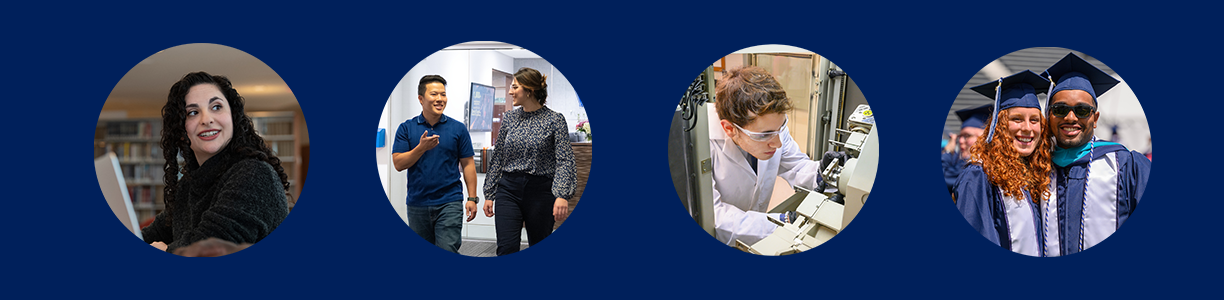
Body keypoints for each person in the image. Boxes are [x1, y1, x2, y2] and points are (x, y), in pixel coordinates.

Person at [141, 71, 291, 256]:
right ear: (181, 130)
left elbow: (211, 248)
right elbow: (154, 232)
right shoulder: (189, 184)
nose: (207, 119)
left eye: (216, 107)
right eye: (193, 112)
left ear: (233, 118)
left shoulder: (255, 174)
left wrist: (166, 250)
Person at [708, 66, 845, 248]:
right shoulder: (702, 144)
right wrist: (783, 221)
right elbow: (714, 217)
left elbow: (796, 167)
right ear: (729, 129)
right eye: (764, 135)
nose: (778, 143)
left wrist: (822, 172)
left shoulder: (772, 128)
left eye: (781, 128)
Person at [1038, 53, 1150, 256]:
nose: (1070, 118)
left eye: (1082, 110)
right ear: (1049, 115)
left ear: (1095, 118)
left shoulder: (1126, 166)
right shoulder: (1037, 167)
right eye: (1060, 109)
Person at [954, 70, 1052, 256]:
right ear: (999, 126)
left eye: (1034, 120)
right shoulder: (978, 175)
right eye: (1017, 119)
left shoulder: (1035, 174)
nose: (1027, 128)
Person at [481, 67, 576, 256]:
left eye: (515, 87)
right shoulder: (509, 118)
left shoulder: (555, 120)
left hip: (540, 191)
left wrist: (562, 194)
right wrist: (489, 192)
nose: (510, 91)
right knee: (506, 248)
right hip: (508, 189)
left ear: (530, 90)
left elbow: (565, 159)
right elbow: (499, 156)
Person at [392, 75, 479, 254]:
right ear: (421, 99)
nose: (440, 99)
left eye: (443, 94)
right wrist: (421, 148)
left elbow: (468, 164)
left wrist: (472, 198)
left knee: (448, 248)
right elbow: (399, 164)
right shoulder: (406, 128)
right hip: (417, 203)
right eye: (434, 94)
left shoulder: (458, 129)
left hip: (450, 201)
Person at [942, 104, 991, 194]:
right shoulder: (961, 163)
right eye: (960, 136)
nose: (960, 141)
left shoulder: (979, 169)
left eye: (967, 136)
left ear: (985, 138)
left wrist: (947, 152)